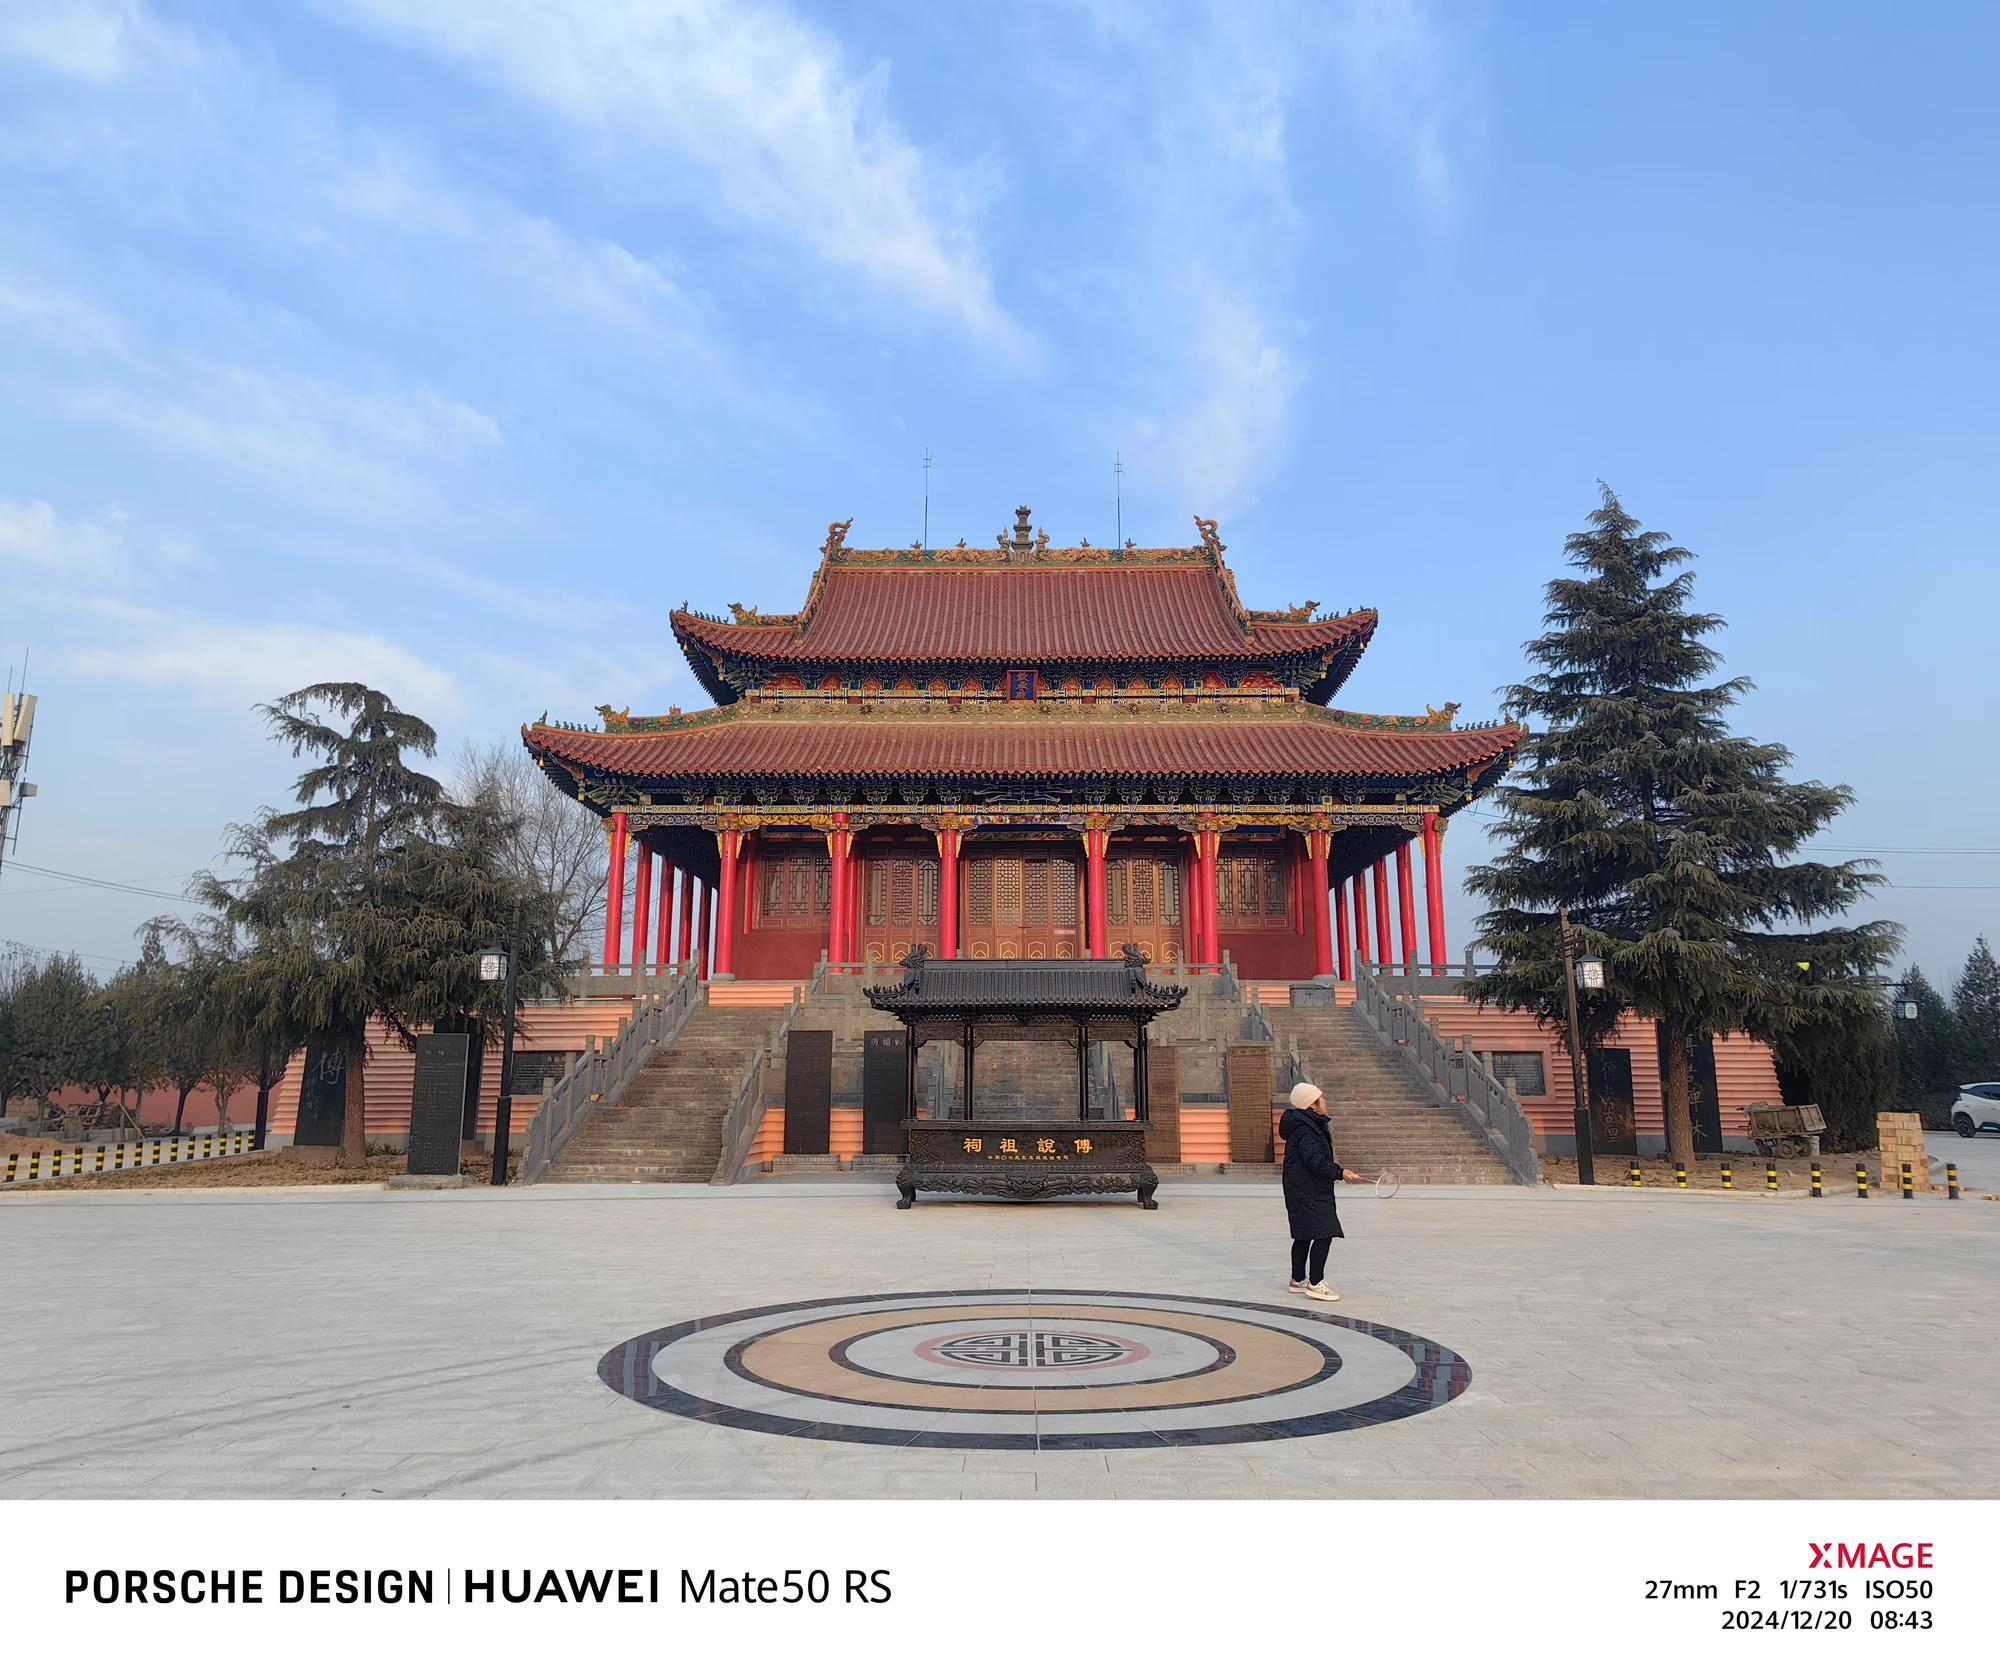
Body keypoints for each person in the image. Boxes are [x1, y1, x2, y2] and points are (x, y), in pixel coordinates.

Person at [1280, 1081, 1359, 1302]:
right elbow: (1315, 1161)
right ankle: (1315, 1283)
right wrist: (1340, 1172)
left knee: (1304, 1234)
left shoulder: (1305, 1124)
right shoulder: (1307, 1129)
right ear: (1312, 1104)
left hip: (1300, 1187)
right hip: (1308, 1189)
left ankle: (1297, 1279)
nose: (1325, 1101)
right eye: (1321, 1098)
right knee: (1325, 1232)